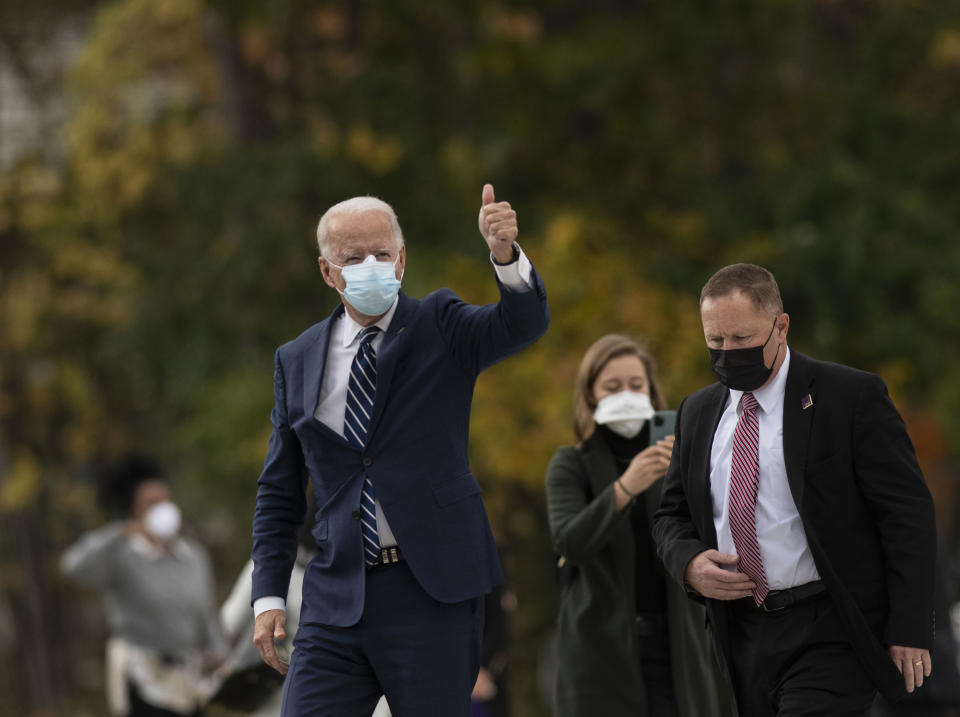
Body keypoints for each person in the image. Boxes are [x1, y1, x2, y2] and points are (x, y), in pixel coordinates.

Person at [250, 185, 549, 716]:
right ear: (326, 271)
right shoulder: (295, 359)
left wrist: (504, 255)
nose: (370, 266)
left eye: (382, 254)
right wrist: (269, 596)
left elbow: (520, 324)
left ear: (402, 260)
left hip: (431, 592)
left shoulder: (440, 324)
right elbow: (279, 490)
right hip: (337, 594)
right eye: (353, 257)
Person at [653, 263, 937, 716]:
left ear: (780, 326)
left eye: (742, 339)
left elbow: (907, 515)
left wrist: (911, 625)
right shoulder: (697, 412)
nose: (727, 351)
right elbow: (671, 516)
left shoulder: (850, 397)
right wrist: (687, 562)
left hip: (830, 625)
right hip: (740, 633)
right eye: (715, 340)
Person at [545, 334, 729, 717]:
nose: (625, 394)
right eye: (612, 387)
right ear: (591, 395)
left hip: (676, 645)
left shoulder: (676, 456)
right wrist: (626, 487)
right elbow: (569, 542)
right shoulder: (571, 464)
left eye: (635, 385)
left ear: (650, 390)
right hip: (603, 654)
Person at [61, 455, 226, 717]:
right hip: (142, 681)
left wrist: (219, 655)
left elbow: (205, 612)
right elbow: (74, 567)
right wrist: (121, 532)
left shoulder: (193, 555)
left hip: (189, 681)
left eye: (166, 500)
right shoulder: (121, 555)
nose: (163, 508)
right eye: (152, 503)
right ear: (133, 510)